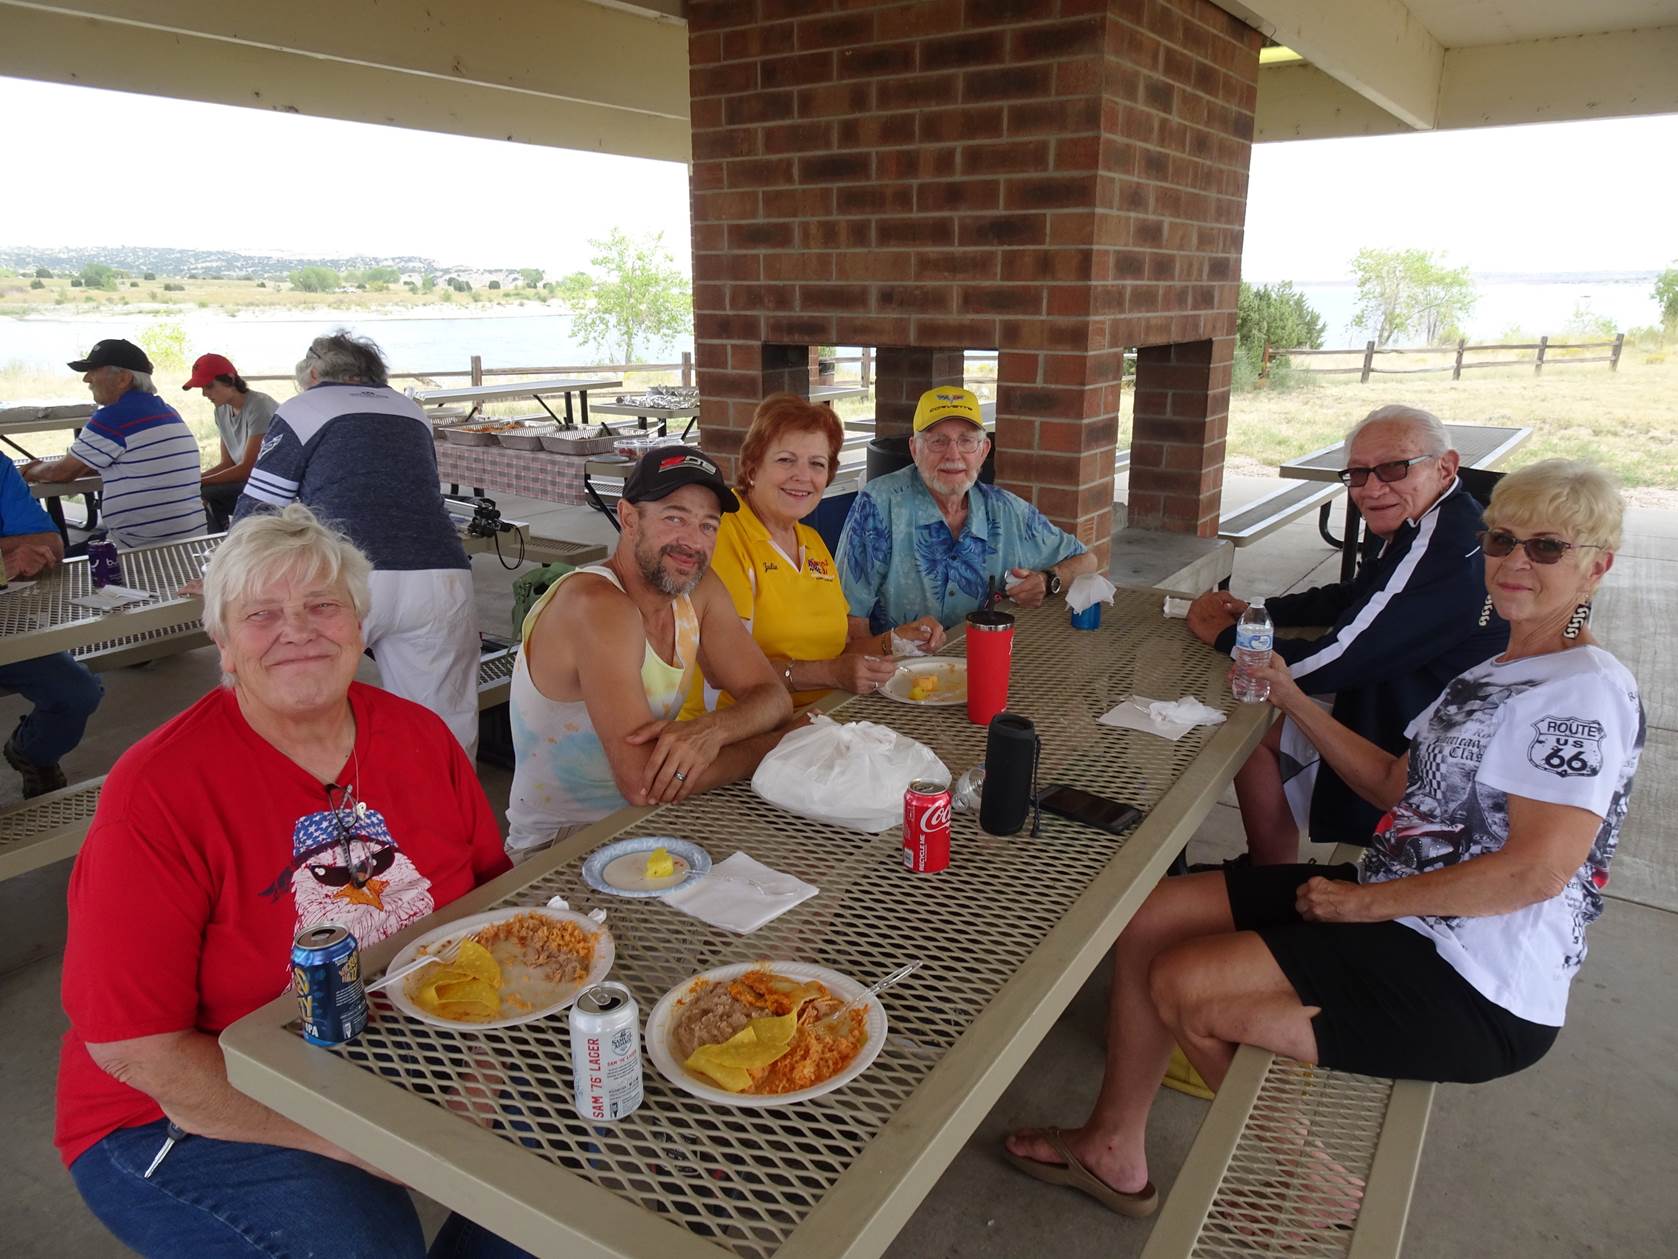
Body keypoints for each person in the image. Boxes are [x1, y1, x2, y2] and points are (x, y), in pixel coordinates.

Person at [1004, 460, 1641, 1221]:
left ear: (1596, 566)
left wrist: (1359, 906)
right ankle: (1114, 1144)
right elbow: (1393, 785)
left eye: (1547, 548)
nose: (1514, 563)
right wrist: (1290, 696)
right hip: (1399, 908)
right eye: (1502, 540)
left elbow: (1535, 871)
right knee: (1148, 915)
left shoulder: (1582, 690)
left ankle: (1323, 1193)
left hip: (1475, 978)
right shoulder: (1497, 668)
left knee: (1187, 984)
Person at [55, 504, 523, 1258]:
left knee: (600, 1148)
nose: (297, 629)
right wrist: (367, 1140)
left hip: (396, 1060)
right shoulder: (160, 789)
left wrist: (486, 1065)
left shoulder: (418, 737)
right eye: (261, 613)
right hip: (187, 1107)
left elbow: (488, 917)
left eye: (322, 605)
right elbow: (135, 1049)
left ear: (360, 624)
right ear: (224, 644)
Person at [1186, 404, 1507, 864]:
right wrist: (1261, 610)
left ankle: (1269, 877)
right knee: (1259, 727)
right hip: (1416, 698)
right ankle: (1267, 871)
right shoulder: (1434, 514)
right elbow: (1361, 592)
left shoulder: (1444, 547)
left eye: (1394, 468)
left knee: (1252, 725)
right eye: (1358, 474)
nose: (1373, 489)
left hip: (1431, 765)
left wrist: (1223, 635)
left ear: (1446, 466)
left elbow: (1331, 664)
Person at [506, 445, 794, 861]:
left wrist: (714, 731)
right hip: (561, 847)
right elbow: (644, 781)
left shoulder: (700, 588)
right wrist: (777, 743)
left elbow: (772, 695)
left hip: (649, 823)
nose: (692, 542)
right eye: (674, 518)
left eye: (707, 526)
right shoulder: (595, 604)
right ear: (628, 518)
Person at [234, 331, 481, 754]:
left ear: (312, 375)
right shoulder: (411, 411)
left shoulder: (302, 407)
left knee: (306, 708)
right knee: (443, 723)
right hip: (440, 573)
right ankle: (450, 816)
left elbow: (258, 509)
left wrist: (223, 575)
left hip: (345, 577)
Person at [679, 393, 945, 718]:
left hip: (820, 718)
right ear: (752, 467)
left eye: (816, 464)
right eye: (786, 460)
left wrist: (896, 640)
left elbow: (838, 651)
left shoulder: (811, 542)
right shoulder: (724, 534)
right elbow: (724, 672)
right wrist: (831, 674)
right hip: (740, 730)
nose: (802, 476)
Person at [837, 385, 1098, 636]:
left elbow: (1087, 562)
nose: (953, 454)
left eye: (966, 441)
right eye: (938, 441)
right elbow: (849, 618)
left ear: (983, 451)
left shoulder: (1006, 510)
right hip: (898, 672)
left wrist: (1047, 580)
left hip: (984, 662)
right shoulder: (880, 504)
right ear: (915, 450)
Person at [22, 338, 205, 548]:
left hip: (139, 547)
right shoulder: (167, 411)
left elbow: (61, 473)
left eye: (94, 370)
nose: (86, 379)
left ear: (123, 379)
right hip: (192, 540)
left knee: (57, 561)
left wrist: (30, 471)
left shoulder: (114, 416)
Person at [0, 459, 103, 796]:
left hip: (7, 625)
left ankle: (32, 752)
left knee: (77, 692)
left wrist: (15, 557)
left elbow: (50, 544)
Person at [184, 352, 278, 533]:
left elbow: (247, 469)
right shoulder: (221, 411)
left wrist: (199, 481)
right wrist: (197, 479)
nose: (204, 394)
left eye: (209, 386)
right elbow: (227, 463)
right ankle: (222, 538)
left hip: (268, 483)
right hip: (250, 481)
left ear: (230, 379)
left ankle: (218, 542)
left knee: (202, 493)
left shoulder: (259, 406)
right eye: (202, 388)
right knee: (199, 492)